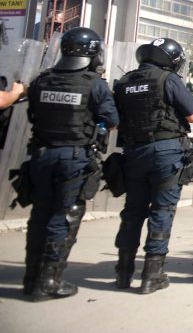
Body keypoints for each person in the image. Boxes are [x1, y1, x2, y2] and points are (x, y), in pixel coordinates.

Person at [24, 27, 118, 300]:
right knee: (63, 215)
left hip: (41, 155)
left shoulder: (42, 80)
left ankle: (31, 279)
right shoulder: (94, 84)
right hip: (74, 158)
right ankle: (49, 281)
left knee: (39, 215)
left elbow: (32, 114)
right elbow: (112, 121)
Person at [112, 38, 193, 294]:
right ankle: (152, 274)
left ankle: (123, 272)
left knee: (132, 212)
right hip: (165, 153)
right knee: (162, 210)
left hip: (133, 153)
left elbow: (114, 121)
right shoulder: (168, 79)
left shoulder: (125, 81)